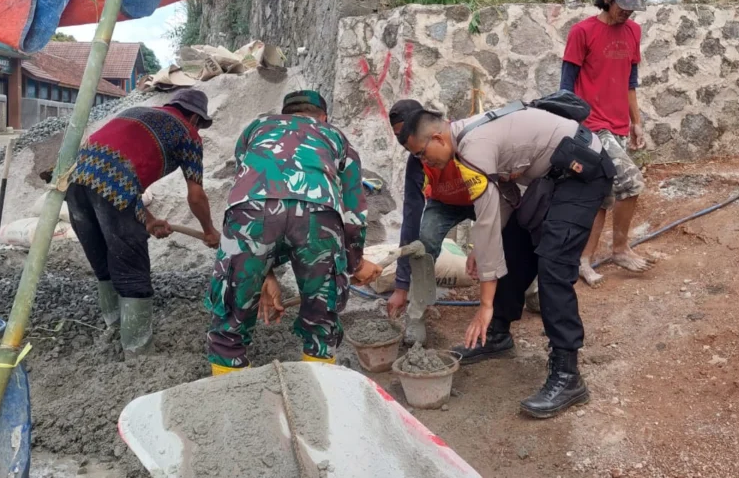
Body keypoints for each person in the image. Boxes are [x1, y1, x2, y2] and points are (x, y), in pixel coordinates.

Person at [401, 105, 614, 418]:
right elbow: (501, 199)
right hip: (553, 175)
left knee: (553, 264)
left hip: (583, 171)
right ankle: (498, 334)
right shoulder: (463, 142)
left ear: (437, 137)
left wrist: (484, 305)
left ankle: (568, 376)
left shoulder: (473, 149)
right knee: (515, 243)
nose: (423, 161)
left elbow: (485, 222)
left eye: (421, 153)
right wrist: (481, 248)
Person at [205, 90, 382, 375]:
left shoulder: (257, 128)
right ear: (323, 117)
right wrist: (355, 263)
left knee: (230, 318)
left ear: (284, 113)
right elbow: (353, 212)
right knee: (321, 317)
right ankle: (318, 391)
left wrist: (262, 271)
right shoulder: (334, 136)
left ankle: (230, 398)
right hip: (319, 214)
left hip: (249, 212)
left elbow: (247, 184)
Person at [66, 88, 221, 359]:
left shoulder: (135, 113)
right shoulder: (188, 133)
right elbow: (196, 195)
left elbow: (119, 171)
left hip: (76, 181)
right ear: (196, 119)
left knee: (104, 261)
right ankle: (138, 351)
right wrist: (209, 230)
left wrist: (147, 220)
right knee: (131, 266)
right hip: (114, 186)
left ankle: (113, 327)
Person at [561, 0, 653, 287]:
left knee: (602, 196)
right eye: (622, 4)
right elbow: (566, 87)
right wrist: (572, 129)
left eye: (633, 4)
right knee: (630, 181)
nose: (628, 10)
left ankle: (583, 261)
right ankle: (619, 248)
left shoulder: (633, 32)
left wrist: (636, 124)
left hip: (618, 127)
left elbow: (630, 83)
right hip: (590, 126)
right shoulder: (582, 32)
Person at [386, 99, 491, 345]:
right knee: (424, 243)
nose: (405, 145)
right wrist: (401, 286)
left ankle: (529, 291)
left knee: (511, 236)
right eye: (398, 138)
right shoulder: (416, 163)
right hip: (445, 204)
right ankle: (416, 318)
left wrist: (479, 245)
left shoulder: (466, 142)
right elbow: (411, 219)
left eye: (406, 135)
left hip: (483, 196)